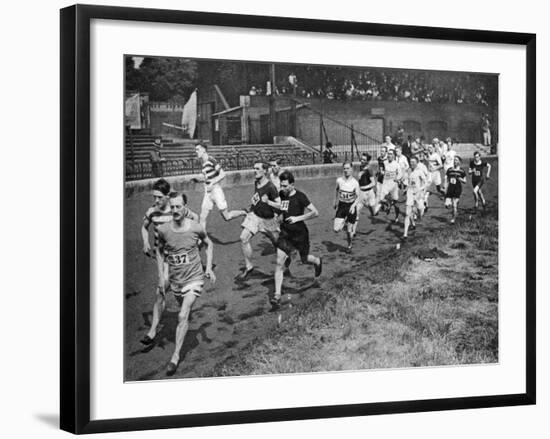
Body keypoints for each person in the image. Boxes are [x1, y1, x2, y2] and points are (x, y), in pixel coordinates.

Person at [142, 192, 216, 376]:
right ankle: (161, 332)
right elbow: (159, 252)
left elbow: (209, 244)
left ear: (185, 207)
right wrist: (161, 276)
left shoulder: (195, 227)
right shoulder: (164, 230)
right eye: (172, 206)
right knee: (175, 303)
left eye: (178, 206)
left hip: (194, 278)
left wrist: (208, 268)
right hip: (176, 279)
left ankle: (175, 357)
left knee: (183, 314)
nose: (175, 210)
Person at [140, 180, 199, 351]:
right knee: (160, 290)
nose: (155, 200)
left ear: (167, 197)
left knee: (174, 292)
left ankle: (183, 318)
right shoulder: (152, 212)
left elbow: (195, 219)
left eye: (159, 197)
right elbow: (144, 228)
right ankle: (152, 332)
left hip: (179, 258)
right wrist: (145, 242)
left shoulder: (177, 210)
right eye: (154, 197)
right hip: (163, 258)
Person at [270, 171, 323, 309]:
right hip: (286, 233)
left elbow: (315, 212)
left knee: (305, 259)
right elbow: (283, 208)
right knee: (279, 261)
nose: (282, 188)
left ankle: (317, 261)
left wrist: (297, 218)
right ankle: (276, 295)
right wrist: (279, 217)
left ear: (292, 185)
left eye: (285, 185)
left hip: (300, 234)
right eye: (281, 185)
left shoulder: (300, 196)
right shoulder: (282, 194)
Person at [238, 162, 281, 279]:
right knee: (243, 238)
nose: (254, 171)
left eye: (257, 169)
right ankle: (249, 267)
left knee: (278, 244)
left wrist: (268, 202)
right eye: (254, 168)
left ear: (265, 171)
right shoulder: (256, 182)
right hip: (255, 216)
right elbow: (256, 196)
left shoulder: (271, 187)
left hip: (268, 220)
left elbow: (280, 205)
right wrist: (251, 207)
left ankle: (285, 261)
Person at [195, 143, 247, 228]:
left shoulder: (211, 160)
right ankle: (202, 240)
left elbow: (222, 174)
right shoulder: (203, 163)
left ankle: (243, 212)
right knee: (202, 216)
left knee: (227, 217)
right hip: (208, 192)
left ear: (204, 150)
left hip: (216, 191)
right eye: (195, 150)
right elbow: (208, 177)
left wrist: (213, 182)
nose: (196, 152)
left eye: (198, 149)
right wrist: (199, 180)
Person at [334, 162, 361, 251]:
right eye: (344, 168)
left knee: (349, 231)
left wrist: (353, 206)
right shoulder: (339, 180)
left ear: (351, 169)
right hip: (341, 206)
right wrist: (335, 201)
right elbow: (336, 190)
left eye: (348, 168)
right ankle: (343, 223)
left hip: (350, 207)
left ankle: (349, 245)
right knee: (336, 229)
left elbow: (358, 197)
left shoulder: (355, 183)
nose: (346, 170)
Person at [374, 149, 402, 223]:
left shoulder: (397, 164)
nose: (389, 155)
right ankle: (387, 204)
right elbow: (382, 171)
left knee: (396, 203)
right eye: (388, 154)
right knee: (380, 198)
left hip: (393, 185)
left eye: (391, 154)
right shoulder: (384, 163)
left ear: (394, 155)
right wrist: (380, 173)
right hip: (385, 184)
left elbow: (400, 174)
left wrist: (397, 178)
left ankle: (396, 217)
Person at [402, 156, 427, 239]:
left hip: (418, 194)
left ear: (417, 162)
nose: (411, 163)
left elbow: (425, 183)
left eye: (413, 162)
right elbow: (406, 182)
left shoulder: (420, 171)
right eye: (410, 162)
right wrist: (405, 188)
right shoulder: (408, 171)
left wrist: (421, 191)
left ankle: (418, 216)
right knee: (407, 213)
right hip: (410, 194)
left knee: (420, 210)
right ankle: (405, 234)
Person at [445, 156, 467, 224]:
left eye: (456, 160)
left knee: (454, 205)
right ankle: (454, 209)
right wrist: (445, 187)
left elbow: (465, 181)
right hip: (450, 189)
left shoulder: (462, 171)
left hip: (457, 189)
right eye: (454, 160)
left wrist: (461, 179)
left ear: (459, 162)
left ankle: (453, 219)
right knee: (447, 204)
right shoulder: (449, 170)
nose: (455, 162)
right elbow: (446, 179)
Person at [356, 153, 377, 218]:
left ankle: (381, 205)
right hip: (362, 193)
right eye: (361, 159)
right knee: (356, 210)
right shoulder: (361, 167)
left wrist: (364, 187)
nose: (362, 161)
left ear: (367, 161)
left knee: (373, 212)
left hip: (369, 193)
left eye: (364, 160)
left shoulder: (369, 169)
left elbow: (373, 183)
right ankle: (351, 224)